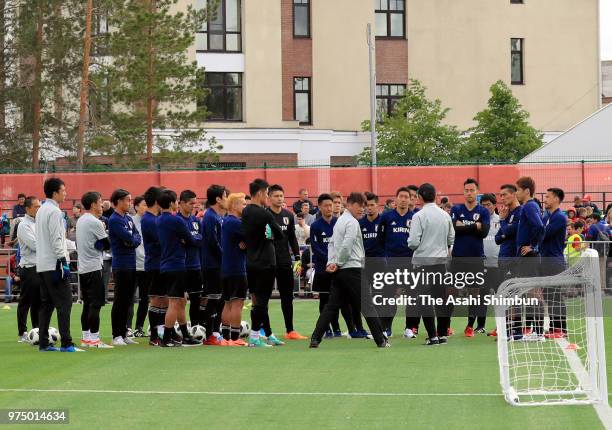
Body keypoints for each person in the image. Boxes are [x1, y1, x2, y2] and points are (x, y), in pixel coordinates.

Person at [309, 192, 389, 349]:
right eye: (360, 206)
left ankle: (315, 338)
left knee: (331, 306)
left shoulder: (339, 222)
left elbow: (331, 244)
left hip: (340, 270)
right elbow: (347, 244)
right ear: (350, 204)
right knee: (367, 304)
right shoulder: (352, 223)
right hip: (352, 268)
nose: (362, 210)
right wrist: (337, 263)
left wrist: (332, 263)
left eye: (364, 207)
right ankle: (381, 340)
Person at [36, 177, 81, 352]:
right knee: (65, 302)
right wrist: (63, 262)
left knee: (47, 304)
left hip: (43, 264)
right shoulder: (54, 212)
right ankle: (67, 342)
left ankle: (44, 342)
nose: (66, 193)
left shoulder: (41, 210)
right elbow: (56, 239)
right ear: (55, 193)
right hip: (55, 264)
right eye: (63, 190)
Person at [408, 183, 455, 345]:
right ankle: (442, 334)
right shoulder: (445, 215)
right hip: (440, 263)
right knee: (440, 298)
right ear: (435, 196)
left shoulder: (418, 216)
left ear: (420, 197)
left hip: (423, 263)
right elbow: (451, 239)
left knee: (424, 299)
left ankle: (432, 336)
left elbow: (413, 242)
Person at [242, 178, 286, 347]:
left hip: (251, 260)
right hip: (266, 262)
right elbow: (279, 234)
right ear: (260, 193)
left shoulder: (245, 212)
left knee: (257, 300)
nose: (267, 197)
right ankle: (254, 337)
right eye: (267, 193)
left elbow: (244, 234)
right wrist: (269, 234)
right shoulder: (264, 213)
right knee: (262, 302)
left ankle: (267, 333)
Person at [156, 189, 201, 347]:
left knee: (181, 301)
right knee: (175, 302)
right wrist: (192, 238)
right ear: (172, 203)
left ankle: (185, 335)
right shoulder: (176, 221)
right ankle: (167, 337)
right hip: (176, 264)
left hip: (167, 264)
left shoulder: (160, 220)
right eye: (175, 201)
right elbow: (191, 240)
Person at [450, 178, 490, 337]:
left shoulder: (483, 211)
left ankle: (469, 326)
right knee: (451, 291)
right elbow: (454, 229)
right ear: (463, 191)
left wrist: (464, 226)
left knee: (474, 293)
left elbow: (484, 232)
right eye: (466, 190)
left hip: (476, 258)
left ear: (477, 192)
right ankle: (446, 325)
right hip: (458, 257)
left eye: (472, 190)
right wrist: (475, 226)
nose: (469, 193)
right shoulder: (456, 208)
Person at [267, 184, 308, 340]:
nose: (279, 198)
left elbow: (292, 238)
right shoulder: (265, 215)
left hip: (284, 261)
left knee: (287, 296)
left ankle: (290, 330)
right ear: (269, 197)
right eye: (276, 196)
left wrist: (297, 259)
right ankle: (264, 329)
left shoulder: (288, 215)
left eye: (281, 196)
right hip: (268, 262)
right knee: (264, 296)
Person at [309, 193, 352, 338]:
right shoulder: (315, 226)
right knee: (324, 300)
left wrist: (337, 260)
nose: (329, 208)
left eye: (331, 205)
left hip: (338, 268)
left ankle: (339, 328)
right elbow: (316, 247)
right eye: (326, 205)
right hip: (323, 269)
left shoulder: (339, 223)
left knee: (339, 299)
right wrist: (330, 260)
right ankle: (326, 328)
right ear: (320, 207)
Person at [377, 186, 418, 337]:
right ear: (396, 198)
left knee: (412, 296)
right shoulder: (386, 217)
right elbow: (380, 240)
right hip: (391, 263)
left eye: (406, 197)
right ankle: (386, 327)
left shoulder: (415, 217)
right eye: (401, 196)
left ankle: (409, 328)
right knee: (389, 296)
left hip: (410, 262)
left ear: (410, 199)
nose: (403, 199)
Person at [76, 191, 113, 349]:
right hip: (93, 267)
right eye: (100, 201)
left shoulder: (81, 220)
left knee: (87, 304)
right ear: (92, 204)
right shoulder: (95, 222)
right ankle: (95, 339)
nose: (102, 204)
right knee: (96, 304)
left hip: (83, 267)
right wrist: (104, 234)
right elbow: (107, 244)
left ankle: (86, 338)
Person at [108, 189, 142, 346]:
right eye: (128, 200)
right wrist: (131, 240)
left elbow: (136, 238)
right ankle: (116, 335)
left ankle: (124, 332)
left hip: (132, 263)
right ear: (119, 201)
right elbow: (127, 237)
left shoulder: (128, 218)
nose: (130, 203)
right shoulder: (114, 220)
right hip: (121, 265)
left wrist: (131, 241)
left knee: (129, 300)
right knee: (120, 300)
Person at [490, 184, 523, 337]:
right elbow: (498, 238)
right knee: (504, 294)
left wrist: (503, 222)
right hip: (503, 258)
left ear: (514, 194)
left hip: (513, 259)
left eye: (504, 195)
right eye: (500, 195)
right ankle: (507, 328)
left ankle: (515, 330)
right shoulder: (507, 214)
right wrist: (505, 227)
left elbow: (510, 231)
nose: (501, 198)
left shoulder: (520, 212)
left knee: (513, 294)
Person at [515, 176, 545, 340]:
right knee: (529, 293)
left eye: (518, 190)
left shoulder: (529, 206)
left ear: (526, 191)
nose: (516, 193)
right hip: (527, 256)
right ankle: (535, 330)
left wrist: (534, 246)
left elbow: (540, 226)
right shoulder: (528, 206)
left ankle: (539, 331)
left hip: (530, 257)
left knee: (533, 293)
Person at [200, 184, 228, 346]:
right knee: (214, 298)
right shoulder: (210, 216)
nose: (227, 199)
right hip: (212, 264)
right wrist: (225, 256)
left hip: (219, 263)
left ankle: (215, 331)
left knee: (220, 298)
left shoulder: (218, 216)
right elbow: (212, 242)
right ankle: (210, 334)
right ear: (218, 199)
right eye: (225, 196)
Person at [220, 193, 249, 346]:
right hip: (237, 268)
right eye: (243, 204)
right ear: (233, 206)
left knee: (228, 303)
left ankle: (226, 337)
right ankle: (235, 337)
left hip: (226, 267)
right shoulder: (235, 222)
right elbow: (252, 237)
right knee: (237, 302)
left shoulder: (227, 221)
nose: (245, 207)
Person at [541, 188, 568, 338]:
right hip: (546, 261)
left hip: (554, 261)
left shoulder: (559, 217)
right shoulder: (548, 216)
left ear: (556, 199)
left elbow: (543, 234)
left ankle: (561, 329)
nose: (545, 199)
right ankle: (553, 327)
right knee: (548, 295)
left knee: (556, 296)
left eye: (548, 197)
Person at [140, 186, 166, 346]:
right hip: (154, 264)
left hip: (161, 262)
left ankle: (161, 332)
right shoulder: (149, 219)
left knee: (163, 298)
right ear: (157, 201)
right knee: (156, 298)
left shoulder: (156, 217)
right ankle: (154, 334)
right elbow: (161, 239)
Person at [176, 190, 203, 330]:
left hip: (196, 265)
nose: (194, 206)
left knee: (196, 299)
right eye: (191, 203)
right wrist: (193, 239)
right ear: (181, 203)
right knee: (180, 300)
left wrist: (190, 240)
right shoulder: (177, 221)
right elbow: (180, 241)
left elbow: (200, 239)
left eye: (195, 203)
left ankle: (195, 327)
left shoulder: (196, 220)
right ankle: (180, 327)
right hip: (181, 266)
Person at [16, 196, 41, 342]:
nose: (39, 209)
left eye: (39, 206)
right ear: (27, 208)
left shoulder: (38, 223)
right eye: (36, 206)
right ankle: (22, 332)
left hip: (39, 266)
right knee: (26, 301)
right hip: (29, 267)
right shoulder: (24, 225)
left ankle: (36, 330)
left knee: (38, 301)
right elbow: (35, 245)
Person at [479, 193, 500, 330]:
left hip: (498, 265)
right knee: (481, 297)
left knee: (500, 296)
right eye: (484, 205)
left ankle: (501, 327)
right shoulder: (477, 222)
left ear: (494, 205)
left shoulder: (500, 220)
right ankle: (480, 326)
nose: (486, 207)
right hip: (482, 264)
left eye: (489, 205)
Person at [129, 196, 149, 337]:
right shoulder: (130, 221)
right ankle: (127, 327)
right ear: (136, 207)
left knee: (145, 299)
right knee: (129, 298)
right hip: (133, 265)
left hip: (147, 265)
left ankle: (139, 327)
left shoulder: (150, 221)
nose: (146, 207)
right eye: (144, 205)